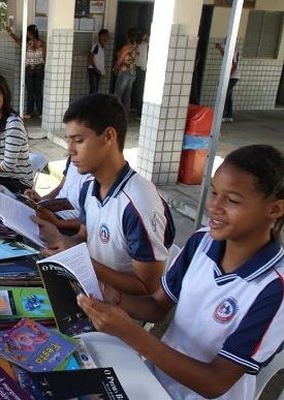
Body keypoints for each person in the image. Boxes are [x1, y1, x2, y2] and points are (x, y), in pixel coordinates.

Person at [77, 144, 284, 400]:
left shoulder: (274, 287)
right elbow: (156, 306)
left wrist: (129, 331)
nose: (215, 207)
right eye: (214, 193)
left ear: (274, 210)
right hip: (155, 379)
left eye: (232, 200)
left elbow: (215, 383)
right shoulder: (201, 242)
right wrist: (113, 298)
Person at [34, 93, 175, 296]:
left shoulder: (138, 204)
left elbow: (147, 287)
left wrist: (82, 261)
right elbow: (83, 236)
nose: (70, 150)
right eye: (69, 141)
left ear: (109, 136)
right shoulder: (90, 187)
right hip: (90, 289)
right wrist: (59, 239)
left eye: (78, 140)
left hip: (119, 311)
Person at [24, 157, 91, 233]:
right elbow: (60, 187)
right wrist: (41, 201)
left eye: (79, 144)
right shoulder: (73, 158)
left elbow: (92, 221)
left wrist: (58, 223)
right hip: (52, 215)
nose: (71, 149)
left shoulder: (101, 177)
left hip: (67, 226)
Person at [7, 24, 46, 119]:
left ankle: (36, 112)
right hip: (33, 69)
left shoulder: (39, 43)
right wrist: (10, 33)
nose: (28, 34)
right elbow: (17, 41)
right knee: (33, 91)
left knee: (35, 91)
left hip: (36, 69)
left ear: (32, 33)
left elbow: (44, 57)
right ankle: (33, 112)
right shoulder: (31, 43)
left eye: (28, 32)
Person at [113, 28, 138, 116]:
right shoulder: (135, 46)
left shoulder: (126, 47)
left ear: (128, 36)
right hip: (132, 71)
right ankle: (125, 116)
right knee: (127, 95)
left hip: (124, 71)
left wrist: (115, 68)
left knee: (118, 94)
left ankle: (117, 115)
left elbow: (120, 60)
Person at [215, 40, 240, 122]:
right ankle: (229, 115)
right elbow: (225, 57)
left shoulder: (234, 51)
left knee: (224, 95)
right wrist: (220, 49)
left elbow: (234, 65)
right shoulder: (229, 51)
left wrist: (227, 76)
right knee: (228, 96)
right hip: (230, 77)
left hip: (232, 77)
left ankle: (222, 115)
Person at [131, 30, 149, 117]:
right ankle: (139, 111)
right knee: (139, 90)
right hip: (139, 69)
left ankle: (139, 110)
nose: (147, 38)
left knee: (140, 90)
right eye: (145, 36)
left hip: (142, 69)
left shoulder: (143, 45)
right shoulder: (139, 45)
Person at [87, 29, 109, 94]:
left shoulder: (102, 47)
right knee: (93, 89)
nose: (108, 38)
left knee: (95, 89)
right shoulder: (96, 46)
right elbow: (90, 58)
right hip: (93, 70)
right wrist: (96, 69)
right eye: (107, 36)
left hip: (97, 71)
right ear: (102, 36)